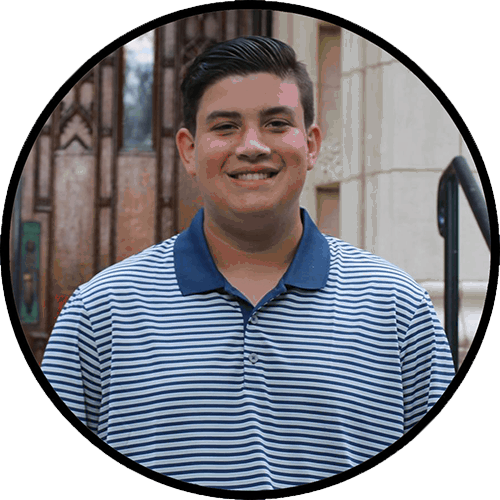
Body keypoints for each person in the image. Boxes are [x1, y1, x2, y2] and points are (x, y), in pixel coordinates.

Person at [42, 36, 455, 491]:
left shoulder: (397, 308)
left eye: (277, 123)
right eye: (225, 127)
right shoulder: (100, 311)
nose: (252, 146)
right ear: (189, 150)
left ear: (311, 144)